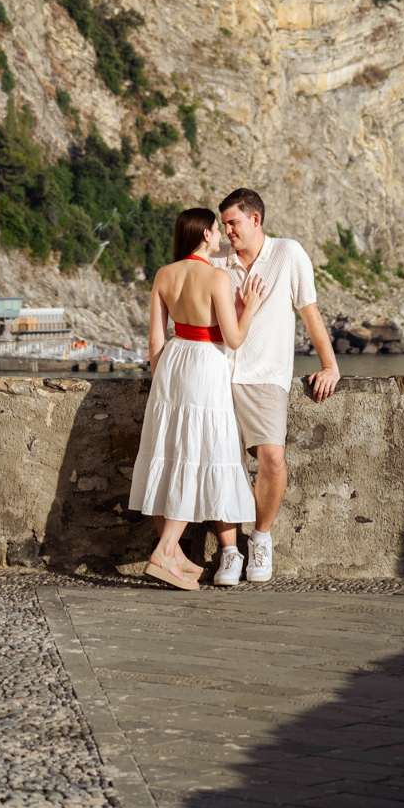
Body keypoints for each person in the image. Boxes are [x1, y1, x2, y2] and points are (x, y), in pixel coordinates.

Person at [128, 207, 266, 590]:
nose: (221, 235)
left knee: (167, 452)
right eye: (216, 230)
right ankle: (164, 551)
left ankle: (172, 554)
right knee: (196, 453)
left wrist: (162, 381)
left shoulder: (164, 274)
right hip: (205, 365)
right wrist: (250, 307)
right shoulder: (217, 277)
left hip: (171, 362)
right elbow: (233, 339)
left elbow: (155, 339)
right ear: (205, 234)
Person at [211, 188, 340, 586]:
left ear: (255, 219)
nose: (227, 230)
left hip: (266, 376)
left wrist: (330, 366)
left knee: (272, 459)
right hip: (217, 373)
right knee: (221, 464)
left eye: (233, 222)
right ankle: (229, 551)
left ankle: (260, 539)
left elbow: (309, 312)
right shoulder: (217, 261)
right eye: (224, 224)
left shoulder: (289, 253)